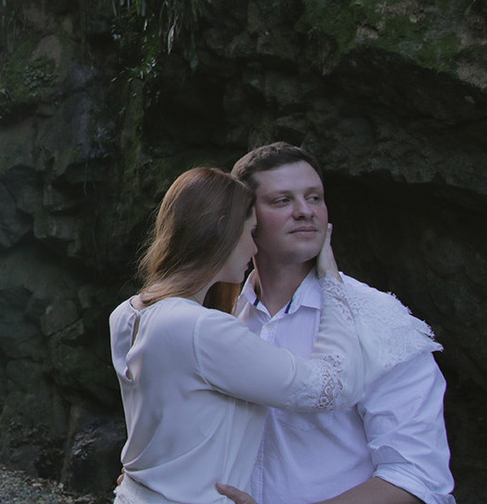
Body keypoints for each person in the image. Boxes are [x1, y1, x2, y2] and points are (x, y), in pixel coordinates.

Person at [110, 167, 367, 504]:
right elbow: (329, 387)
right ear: (223, 230)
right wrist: (332, 280)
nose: (253, 247)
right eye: (251, 231)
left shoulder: (126, 314)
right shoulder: (201, 328)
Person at [215, 143, 454, 504]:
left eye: (314, 197)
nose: (304, 211)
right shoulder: (220, 316)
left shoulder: (379, 320)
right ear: (245, 219)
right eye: (282, 201)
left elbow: (417, 477)